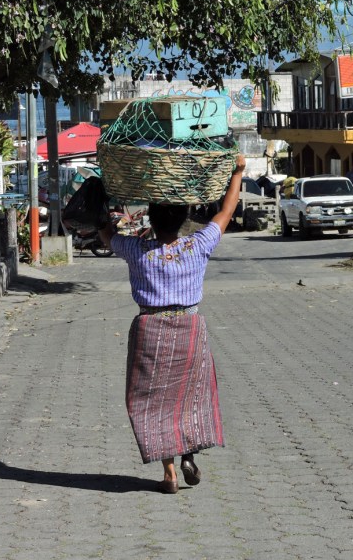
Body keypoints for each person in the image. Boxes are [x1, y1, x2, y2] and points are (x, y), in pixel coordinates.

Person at [97, 154, 247, 494]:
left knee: (152, 400)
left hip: (150, 329)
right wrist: (237, 172)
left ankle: (169, 472)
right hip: (190, 329)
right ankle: (188, 453)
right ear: (184, 218)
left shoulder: (137, 250)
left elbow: (106, 233)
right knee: (191, 394)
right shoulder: (198, 245)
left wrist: (101, 200)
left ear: (150, 218)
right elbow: (226, 212)